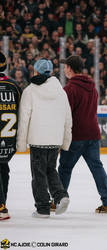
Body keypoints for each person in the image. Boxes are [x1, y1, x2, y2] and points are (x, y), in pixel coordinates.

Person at [58, 56, 107, 213]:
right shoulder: (93, 87)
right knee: (97, 167)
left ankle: (58, 200)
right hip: (93, 134)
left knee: (64, 168)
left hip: (76, 136)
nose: (64, 70)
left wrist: (60, 139)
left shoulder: (69, 89)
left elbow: (65, 116)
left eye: (65, 67)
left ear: (70, 68)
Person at [17, 59, 72, 218]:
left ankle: (42, 208)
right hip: (54, 140)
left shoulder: (30, 91)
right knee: (50, 170)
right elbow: (68, 119)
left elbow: (24, 119)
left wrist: (21, 144)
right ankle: (61, 195)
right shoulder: (61, 91)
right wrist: (65, 141)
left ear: (36, 71)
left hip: (37, 141)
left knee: (38, 174)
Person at [0, 52, 22, 220]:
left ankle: (1, 207)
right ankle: (3, 203)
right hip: (10, 141)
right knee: (3, 169)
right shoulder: (14, 85)